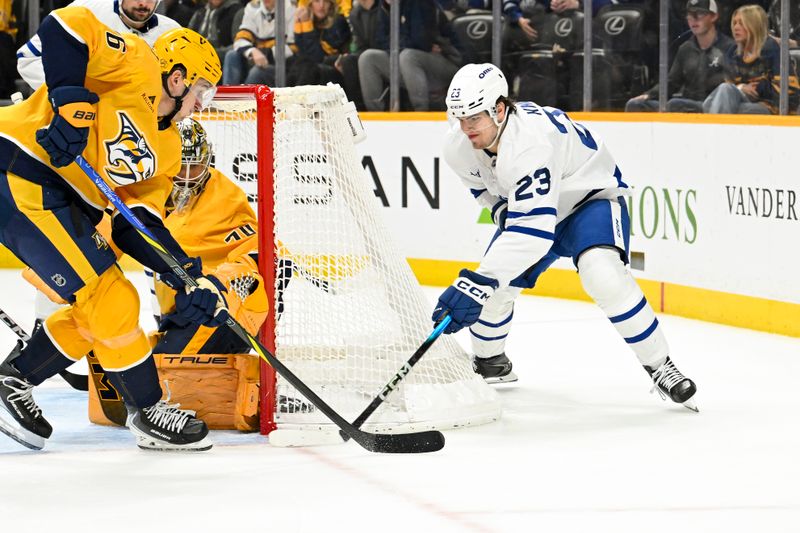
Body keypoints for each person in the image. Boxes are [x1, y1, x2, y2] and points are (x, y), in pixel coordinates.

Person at [0, 12, 226, 452]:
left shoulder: (169, 148)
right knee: (111, 297)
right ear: (178, 78)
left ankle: (15, 378)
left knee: (98, 305)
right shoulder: (135, 60)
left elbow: (136, 222)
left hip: (58, 197)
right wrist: (69, 104)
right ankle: (148, 408)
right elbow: (64, 26)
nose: (203, 104)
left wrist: (186, 275)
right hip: (18, 165)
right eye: (202, 90)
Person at [433, 63, 698, 411]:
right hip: (537, 211)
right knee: (495, 289)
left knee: (602, 274)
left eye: (473, 118)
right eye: (459, 118)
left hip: (589, 200)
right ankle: (490, 362)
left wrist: (474, 284)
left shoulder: (530, 143)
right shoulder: (458, 145)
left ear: (499, 110)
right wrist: (498, 219)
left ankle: (660, 365)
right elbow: (483, 190)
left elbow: (534, 235)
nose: (466, 128)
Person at [150, 118, 268, 355]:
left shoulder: (225, 197)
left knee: (170, 366)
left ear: (206, 161)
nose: (185, 176)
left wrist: (218, 283)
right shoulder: (150, 188)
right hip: (176, 307)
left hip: (214, 306)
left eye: (193, 166)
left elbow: (261, 252)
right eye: (179, 166)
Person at [16, 0, 181, 92]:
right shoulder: (85, 10)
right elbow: (28, 58)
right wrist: (72, 91)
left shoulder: (171, 32)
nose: (143, 3)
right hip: (81, 121)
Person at [625, 0, 733, 113]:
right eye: (690, 15)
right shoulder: (685, 48)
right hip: (687, 104)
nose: (694, 19)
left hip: (713, 105)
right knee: (635, 104)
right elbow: (672, 82)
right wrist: (649, 95)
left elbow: (732, 83)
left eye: (700, 14)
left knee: (674, 105)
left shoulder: (728, 47)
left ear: (714, 16)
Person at [358, 0, 463, 111]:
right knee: (368, 57)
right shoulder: (385, 6)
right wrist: (399, 44)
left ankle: (421, 113)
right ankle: (375, 115)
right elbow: (379, 41)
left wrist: (396, 44)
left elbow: (421, 41)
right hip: (407, 63)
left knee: (408, 56)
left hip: (446, 62)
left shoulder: (420, 3)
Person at [703, 4, 799, 114]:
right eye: (734, 23)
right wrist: (741, 87)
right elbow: (728, 86)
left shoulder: (772, 49)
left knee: (722, 105)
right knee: (708, 103)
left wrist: (759, 87)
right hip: (742, 100)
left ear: (754, 25)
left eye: (741, 23)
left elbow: (790, 92)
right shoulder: (733, 52)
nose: (736, 27)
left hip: (770, 107)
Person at [222, 0, 297, 86]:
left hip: (280, 64)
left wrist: (265, 54)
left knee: (257, 71)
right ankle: (228, 92)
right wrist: (252, 51)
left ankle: (245, 94)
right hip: (256, 57)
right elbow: (240, 39)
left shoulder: (291, 8)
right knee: (232, 55)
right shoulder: (253, 7)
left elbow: (293, 47)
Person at [289, 0, 351, 86]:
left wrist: (307, 25)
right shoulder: (309, 20)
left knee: (307, 67)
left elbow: (317, 57)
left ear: (331, 4)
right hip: (311, 69)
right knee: (291, 64)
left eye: (326, 1)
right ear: (309, 4)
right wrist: (299, 24)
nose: (321, 6)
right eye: (317, 1)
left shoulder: (338, 22)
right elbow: (302, 51)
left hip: (333, 71)